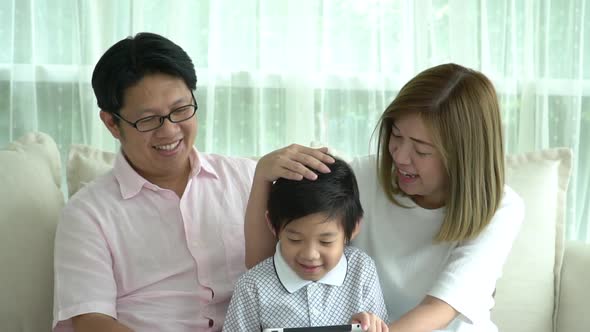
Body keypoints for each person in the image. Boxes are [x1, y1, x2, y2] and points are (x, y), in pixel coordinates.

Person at [244, 63, 524, 332]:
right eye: (397, 136)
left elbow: (440, 309)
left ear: (463, 156)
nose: (400, 156)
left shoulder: (500, 209)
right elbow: (264, 266)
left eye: (421, 150)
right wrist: (262, 179)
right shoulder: (362, 178)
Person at [52, 32, 256, 332]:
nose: (170, 131)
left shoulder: (247, 179)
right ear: (112, 123)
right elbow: (92, 321)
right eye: (148, 120)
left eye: (180, 110)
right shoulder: (87, 214)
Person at [223, 158, 388, 331]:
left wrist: (372, 326)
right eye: (295, 240)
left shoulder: (361, 270)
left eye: (326, 241)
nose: (310, 255)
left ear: (353, 228)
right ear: (272, 225)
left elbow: (381, 325)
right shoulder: (252, 286)